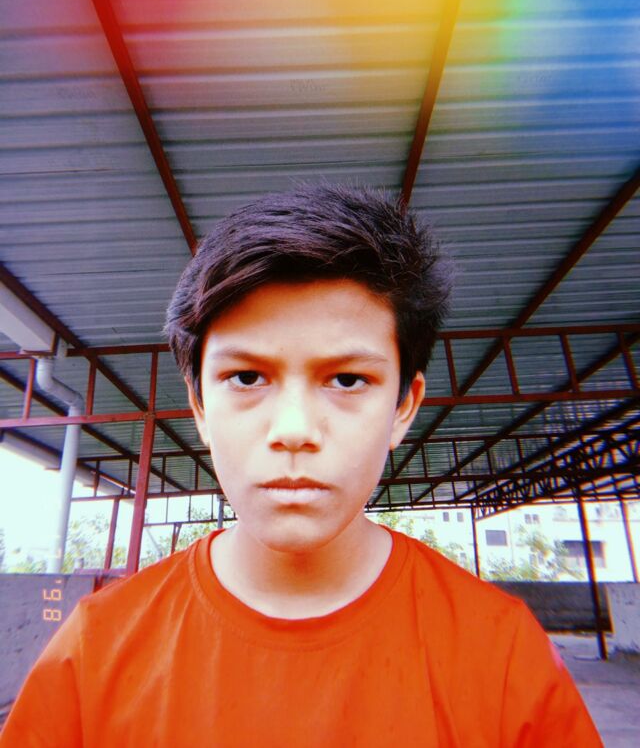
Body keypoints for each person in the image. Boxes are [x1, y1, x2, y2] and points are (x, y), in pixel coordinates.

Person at [1, 186, 602, 746]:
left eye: (348, 379)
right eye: (246, 377)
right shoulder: (92, 654)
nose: (293, 429)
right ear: (200, 407)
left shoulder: (503, 656)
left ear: (404, 407)